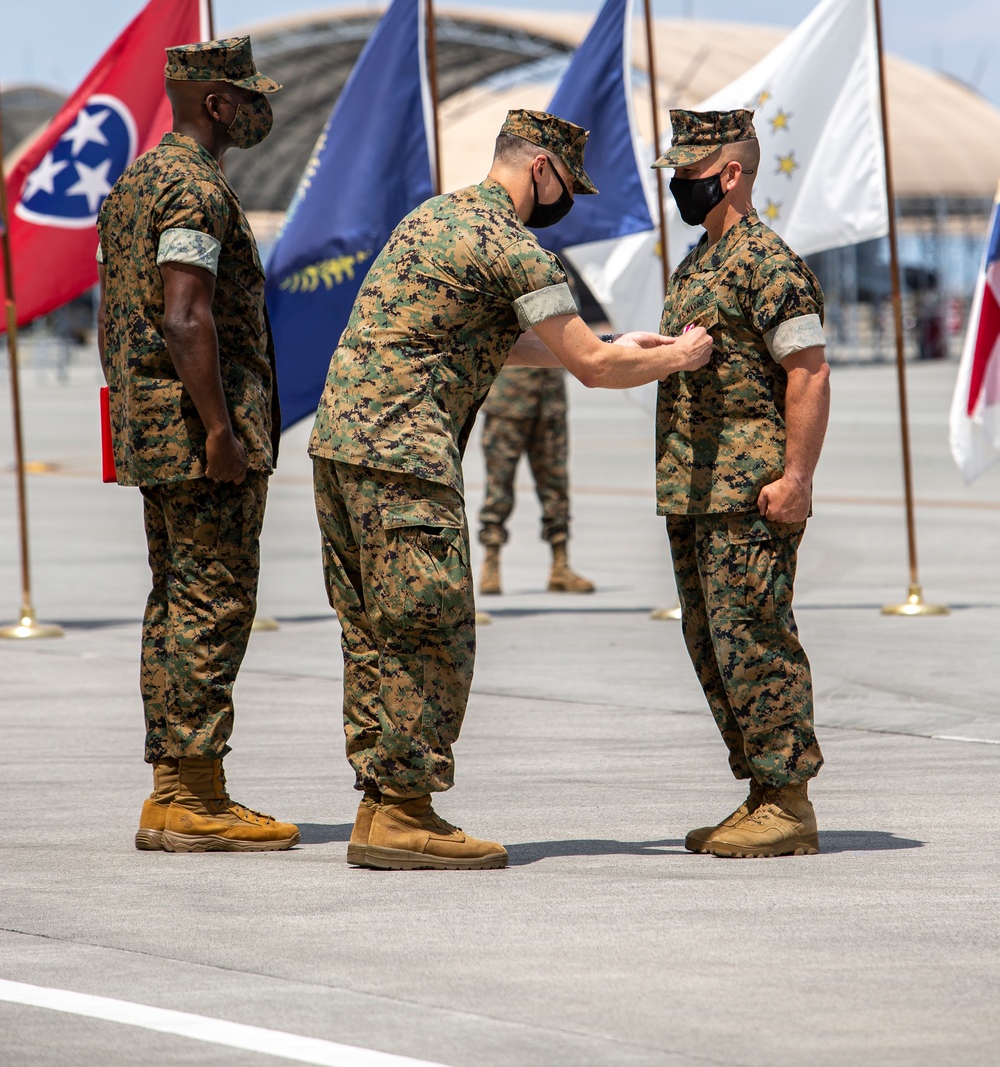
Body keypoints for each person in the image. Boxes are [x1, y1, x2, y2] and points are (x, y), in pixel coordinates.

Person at [310, 108, 713, 871]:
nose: (567, 201)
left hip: (341, 446)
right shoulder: (512, 245)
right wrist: (678, 357)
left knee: (374, 632)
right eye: (566, 184)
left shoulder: (434, 219)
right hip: (405, 455)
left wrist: (608, 346)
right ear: (540, 170)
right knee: (431, 631)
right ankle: (405, 812)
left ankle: (378, 806)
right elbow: (594, 367)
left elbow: (491, 337)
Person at [97, 35, 299, 854]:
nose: (260, 110)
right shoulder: (192, 190)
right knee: (213, 603)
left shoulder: (137, 181)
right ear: (216, 103)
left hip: (150, 428)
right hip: (194, 434)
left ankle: (174, 788)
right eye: (249, 97)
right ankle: (195, 793)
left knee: (175, 600)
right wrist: (220, 429)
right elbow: (186, 317)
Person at [654, 108, 830, 859]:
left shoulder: (769, 263)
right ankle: (759, 789)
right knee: (712, 645)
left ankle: (789, 798)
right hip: (694, 494)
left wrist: (797, 477)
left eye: (688, 175)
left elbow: (809, 372)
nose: (678, 188)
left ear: (730, 174)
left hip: (748, 495)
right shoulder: (696, 264)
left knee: (755, 640)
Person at [477, 367, 593, 594]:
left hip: (549, 401)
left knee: (556, 483)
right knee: (498, 487)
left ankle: (560, 566)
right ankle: (491, 563)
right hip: (508, 401)